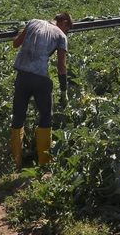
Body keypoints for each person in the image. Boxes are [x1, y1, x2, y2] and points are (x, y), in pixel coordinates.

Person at [8, 12, 73, 167]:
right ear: (63, 22)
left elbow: (15, 44)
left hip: (22, 77)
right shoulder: (61, 36)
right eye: (67, 28)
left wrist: (19, 32)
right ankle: (44, 163)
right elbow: (61, 67)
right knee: (45, 117)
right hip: (40, 79)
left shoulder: (33, 22)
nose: (66, 32)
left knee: (18, 116)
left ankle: (15, 161)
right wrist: (64, 90)